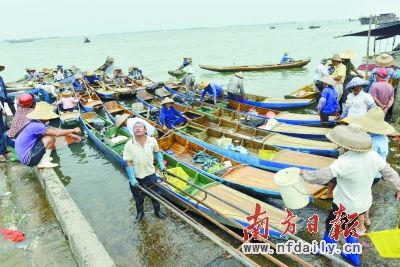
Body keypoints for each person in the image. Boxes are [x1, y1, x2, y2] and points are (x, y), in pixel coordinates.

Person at [301, 125, 400, 266]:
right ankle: (353, 256)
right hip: (363, 203)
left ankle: (325, 249)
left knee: (333, 226)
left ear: (345, 145)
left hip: (344, 204)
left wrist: (303, 174)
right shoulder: (373, 155)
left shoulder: (344, 161)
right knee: (350, 226)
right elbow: (390, 173)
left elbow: (321, 176)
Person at [342, 107, 396, 234]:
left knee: (360, 197)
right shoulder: (382, 137)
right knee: (366, 193)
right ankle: (366, 219)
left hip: (369, 172)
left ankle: (361, 227)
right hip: (377, 173)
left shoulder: (372, 141)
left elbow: (363, 158)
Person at [123, 119, 166, 223]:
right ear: (133, 131)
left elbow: (157, 152)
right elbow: (128, 162)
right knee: (138, 198)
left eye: (139, 127)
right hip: (137, 176)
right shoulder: (129, 144)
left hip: (150, 174)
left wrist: (161, 164)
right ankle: (140, 214)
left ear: (145, 129)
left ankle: (157, 211)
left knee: (155, 195)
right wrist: (132, 177)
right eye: (134, 127)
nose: (137, 128)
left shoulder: (152, 141)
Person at [15, 102, 81, 168]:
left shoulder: (34, 122)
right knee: (49, 138)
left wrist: (71, 135)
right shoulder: (37, 126)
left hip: (26, 154)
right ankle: (43, 162)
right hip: (28, 159)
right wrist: (74, 130)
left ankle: (44, 159)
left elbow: (55, 129)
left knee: (50, 136)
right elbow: (57, 133)